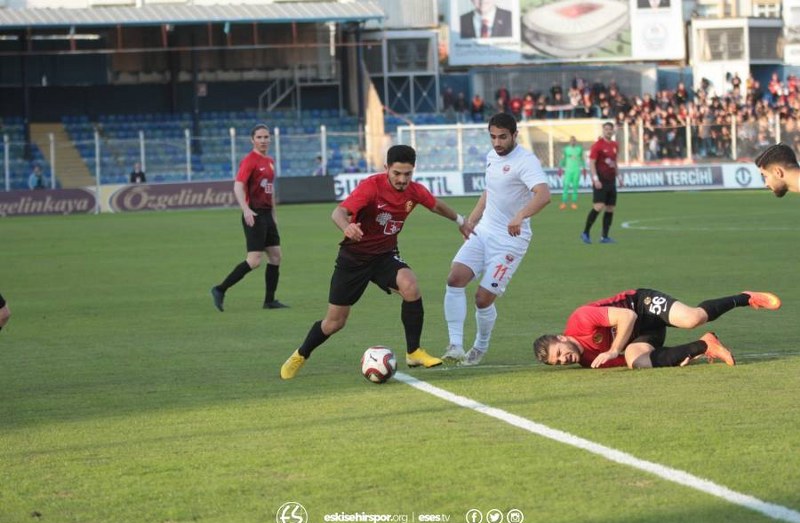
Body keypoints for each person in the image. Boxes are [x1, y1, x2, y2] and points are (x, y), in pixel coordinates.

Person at [280, 145, 475, 379]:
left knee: (410, 284)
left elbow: (436, 205)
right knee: (334, 322)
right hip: (354, 259)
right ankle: (300, 354)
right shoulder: (371, 187)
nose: (402, 179)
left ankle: (414, 351)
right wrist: (347, 226)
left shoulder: (414, 191)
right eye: (397, 174)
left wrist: (460, 220)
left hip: (384, 256)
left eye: (407, 174)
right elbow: (338, 213)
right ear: (386, 169)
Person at [442, 113, 551, 366]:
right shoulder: (492, 156)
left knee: (482, 299)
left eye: (503, 137)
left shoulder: (526, 161)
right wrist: (472, 219)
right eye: (493, 137)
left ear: (515, 135)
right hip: (485, 232)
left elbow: (543, 195)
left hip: (511, 241)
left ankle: (480, 346)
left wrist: (520, 215)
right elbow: (490, 191)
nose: (497, 142)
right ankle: (456, 346)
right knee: (455, 278)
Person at [533, 289, 781, 369]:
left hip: (642, 306)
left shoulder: (581, 319)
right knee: (636, 361)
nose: (564, 360)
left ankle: (744, 297)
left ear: (562, 337)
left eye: (559, 353)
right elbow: (629, 358)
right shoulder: (588, 361)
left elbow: (627, 316)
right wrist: (665, 358)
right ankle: (706, 345)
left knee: (691, 318)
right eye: (559, 363)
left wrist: (613, 350)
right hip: (642, 334)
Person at [210, 124, 288, 311]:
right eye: (259, 137)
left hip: (267, 215)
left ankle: (269, 301)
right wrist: (245, 209)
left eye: (266, 137)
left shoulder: (269, 161)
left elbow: (269, 191)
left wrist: (274, 216)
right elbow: (238, 186)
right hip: (254, 214)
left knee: (276, 256)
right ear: (252, 140)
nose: (263, 140)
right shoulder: (249, 161)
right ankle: (220, 289)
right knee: (254, 261)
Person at [581, 122, 622, 244]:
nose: (608, 131)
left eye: (610, 129)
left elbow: (615, 162)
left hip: (611, 180)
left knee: (610, 208)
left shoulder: (615, 145)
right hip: (601, 180)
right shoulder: (597, 145)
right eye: (606, 129)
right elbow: (592, 163)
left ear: (613, 131)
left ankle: (604, 236)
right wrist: (595, 178)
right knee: (598, 207)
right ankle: (585, 232)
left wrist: (619, 177)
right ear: (603, 131)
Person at [558, 136, 585, 210]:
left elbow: (582, 159)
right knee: (566, 186)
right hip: (568, 170)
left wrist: (584, 167)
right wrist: (560, 167)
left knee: (575, 187)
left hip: (576, 170)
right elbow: (563, 159)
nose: (573, 142)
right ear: (569, 141)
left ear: (575, 141)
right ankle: (564, 203)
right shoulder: (566, 149)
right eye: (571, 140)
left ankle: (574, 203)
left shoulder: (579, 149)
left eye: (574, 140)